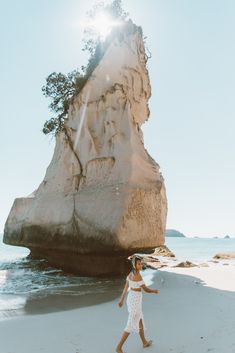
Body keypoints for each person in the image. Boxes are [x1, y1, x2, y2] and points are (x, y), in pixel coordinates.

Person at [116, 255, 160, 353]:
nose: (141, 265)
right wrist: (154, 291)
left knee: (140, 320)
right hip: (135, 300)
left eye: (141, 263)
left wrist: (122, 300)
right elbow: (146, 289)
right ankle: (119, 347)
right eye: (139, 264)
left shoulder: (130, 273)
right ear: (134, 265)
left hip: (131, 298)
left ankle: (144, 342)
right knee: (130, 324)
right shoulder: (137, 276)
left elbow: (125, 288)